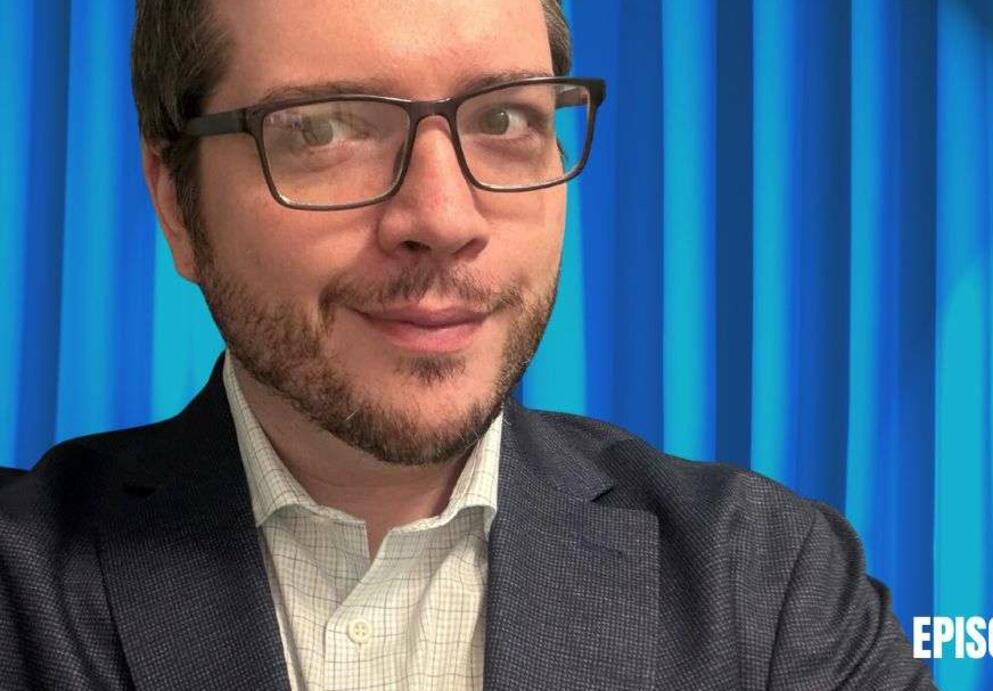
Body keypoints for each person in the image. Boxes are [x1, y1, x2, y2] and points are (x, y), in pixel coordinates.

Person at [0, 1, 935, 688]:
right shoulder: (23, 593)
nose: (444, 219)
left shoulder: (767, 591)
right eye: (325, 130)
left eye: (503, 119)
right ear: (176, 201)